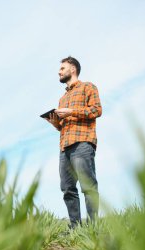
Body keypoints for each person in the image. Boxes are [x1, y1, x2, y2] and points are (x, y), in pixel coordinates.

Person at [45, 56, 102, 228]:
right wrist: (55, 122)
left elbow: (96, 110)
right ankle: (75, 228)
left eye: (62, 68)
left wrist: (70, 111)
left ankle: (93, 228)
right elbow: (62, 125)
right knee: (67, 189)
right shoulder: (62, 99)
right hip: (65, 147)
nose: (59, 72)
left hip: (83, 143)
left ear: (73, 69)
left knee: (88, 186)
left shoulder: (88, 87)